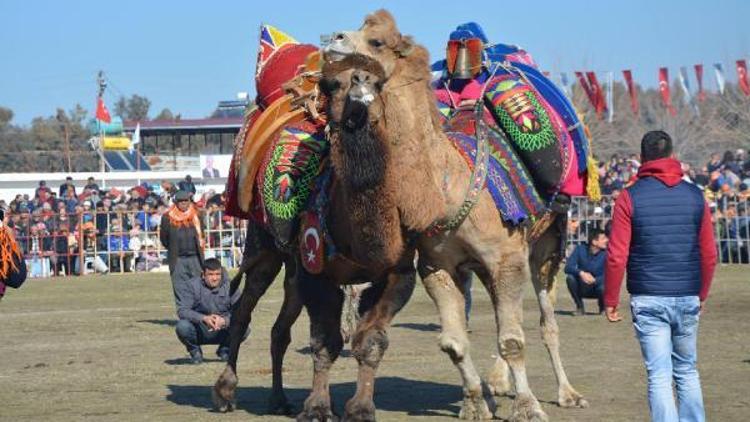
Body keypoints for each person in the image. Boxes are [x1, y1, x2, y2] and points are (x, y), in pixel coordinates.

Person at [605, 131, 717, 422]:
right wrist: (701, 293)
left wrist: (611, 299)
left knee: (659, 375)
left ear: (642, 158)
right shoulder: (695, 195)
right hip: (687, 292)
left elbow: (617, 254)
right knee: (687, 370)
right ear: (672, 154)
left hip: (648, 296)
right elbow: (709, 254)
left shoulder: (629, 197)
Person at [174, 258, 246, 363]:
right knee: (182, 326)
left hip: (222, 330)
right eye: (211, 274)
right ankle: (195, 351)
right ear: (203, 274)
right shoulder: (191, 286)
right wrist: (204, 318)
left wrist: (225, 321)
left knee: (244, 327)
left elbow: (241, 311)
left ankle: (225, 350)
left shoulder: (231, 286)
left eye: (218, 274)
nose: (215, 278)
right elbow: (182, 310)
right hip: (200, 329)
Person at [160, 190, 204, 304]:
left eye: (186, 201)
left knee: (199, 288)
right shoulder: (167, 217)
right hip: (177, 259)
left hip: (195, 258)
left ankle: (199, 316)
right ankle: (184, 316)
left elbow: (202, 235)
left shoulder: (197, 215)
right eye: (181, 201)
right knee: (180, 289)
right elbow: (164, 239)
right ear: (176, 202)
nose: (184, 203)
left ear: (190, 201)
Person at [565, 228, 608, 315]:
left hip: (598, 287)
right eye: (603, 238)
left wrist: (595, 280)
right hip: (583, 286)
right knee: (570, 278)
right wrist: (581, 273)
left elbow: (610, 274)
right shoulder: (580, 249)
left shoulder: (607, 253)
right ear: (594, 242)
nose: (607, 240)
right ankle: (580, 307)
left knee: (604, 286)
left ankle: (603, 307)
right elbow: (568, 267)